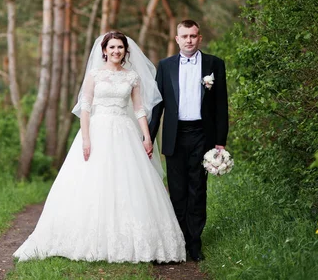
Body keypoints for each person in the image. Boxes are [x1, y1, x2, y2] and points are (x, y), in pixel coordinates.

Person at [13, 31, 186, 263]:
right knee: (91, 181)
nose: (116, 51)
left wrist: (146, 136)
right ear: (104, 50)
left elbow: (139, 110)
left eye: (120, 48)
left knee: (128, 184)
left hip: (125, 132)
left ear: (126, 51)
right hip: (97, 130)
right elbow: (85, 107)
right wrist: (86, 138)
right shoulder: (94, 75)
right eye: (112, 47)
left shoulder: (132, 77)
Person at [149, 19, 229, 262]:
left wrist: (220, 140)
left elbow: (221, 105)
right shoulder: (165, 66)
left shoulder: (214, 64)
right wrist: (149, 139)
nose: (189, 40)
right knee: (177, 191)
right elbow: (158, 105)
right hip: (175, 135)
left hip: (202, 135)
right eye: (184, 36)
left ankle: (195, 243)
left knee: (198, 190)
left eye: (193, 36)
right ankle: (178, 241)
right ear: (177, 39)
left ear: (200, 37)